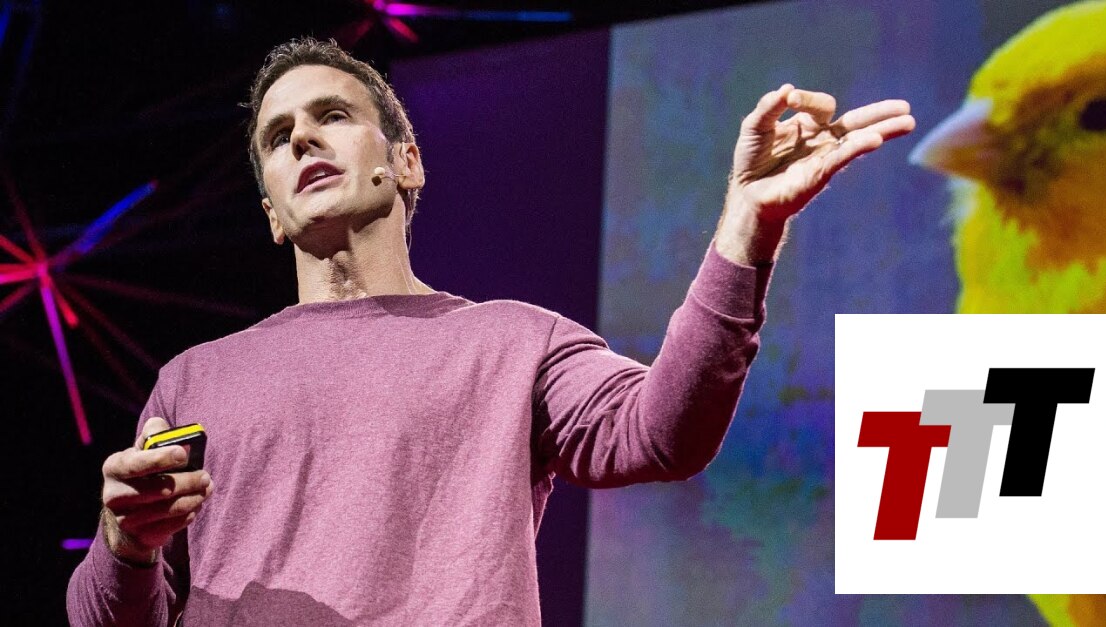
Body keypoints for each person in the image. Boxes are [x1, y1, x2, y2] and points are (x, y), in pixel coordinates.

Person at [66, 37, 914, 625]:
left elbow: (664, 431)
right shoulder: (196, 379)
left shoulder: (515, 342)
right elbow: (106, 615)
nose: (303, 140)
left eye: (331, 115)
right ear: (271, 215)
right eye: (278, 138)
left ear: (405, 162)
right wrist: (123, 545)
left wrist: (746, 227)